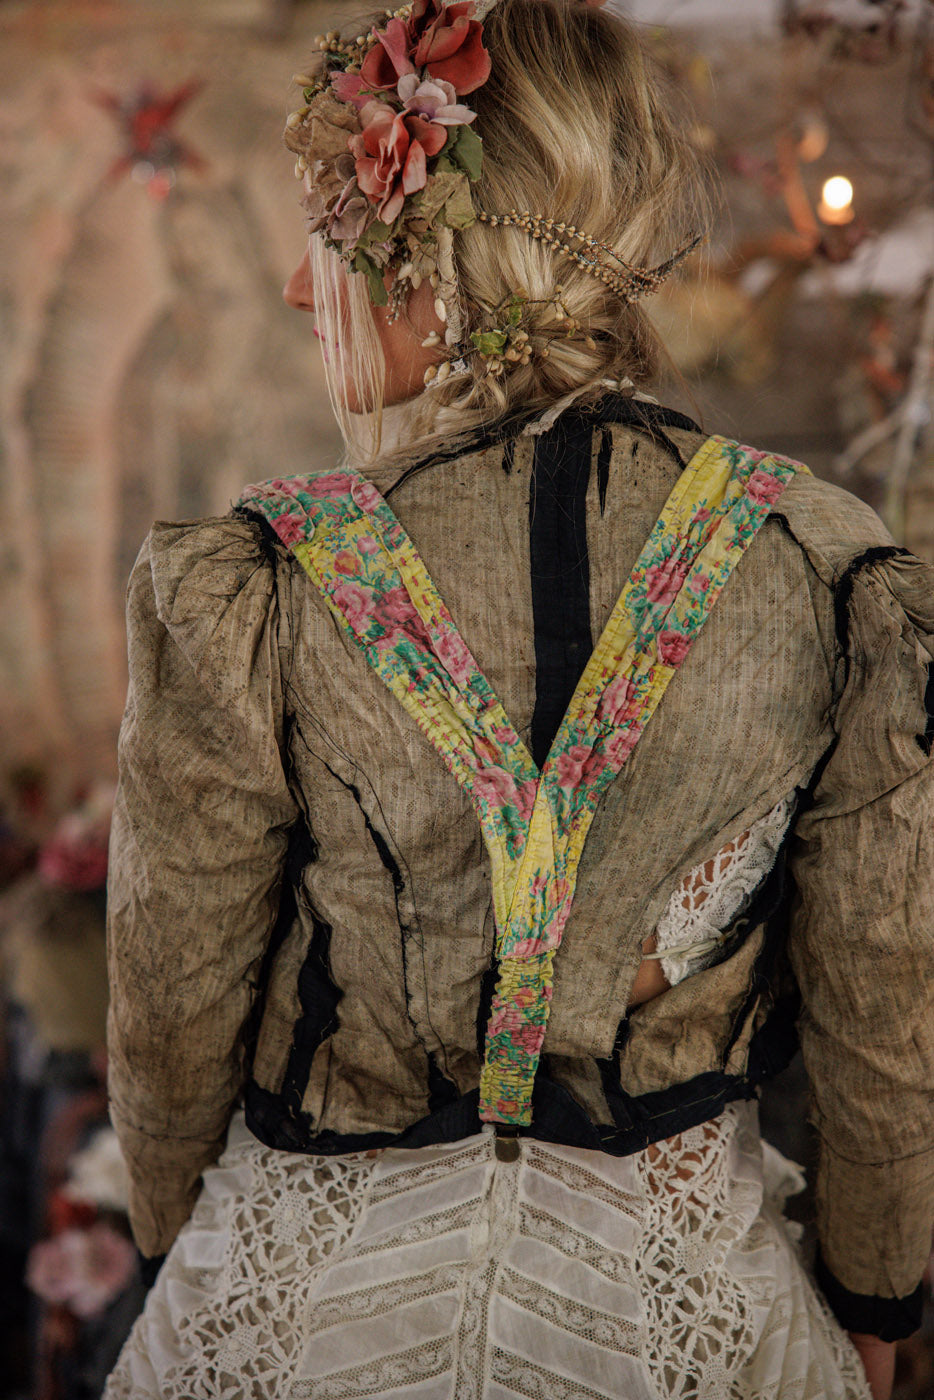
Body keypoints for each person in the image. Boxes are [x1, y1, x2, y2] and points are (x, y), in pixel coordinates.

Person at [103, 1, 934, 1396]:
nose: (302, 291)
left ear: (420, 254)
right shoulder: (821, 566)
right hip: (676, 1311)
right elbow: (884, 1002)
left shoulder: (264, 576)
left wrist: (174, 1234)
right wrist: (878, 1292)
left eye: (325, 241)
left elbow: (171, 994)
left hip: (317, 1304)